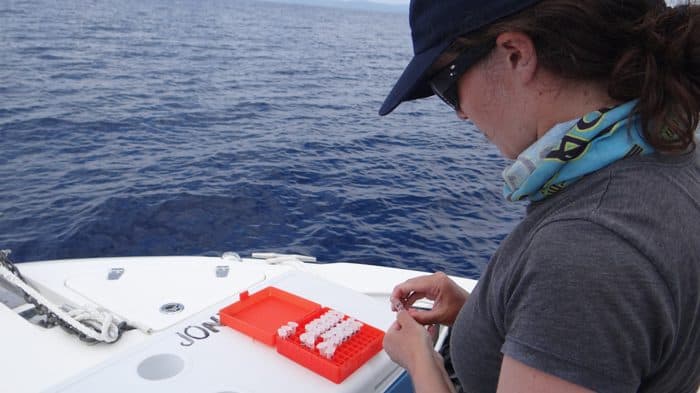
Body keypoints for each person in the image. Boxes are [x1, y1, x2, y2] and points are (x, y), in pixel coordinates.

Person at [378, 0, 700, 392]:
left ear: (516, 54)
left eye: (446, 85)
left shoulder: (584, 251)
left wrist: (420, 359)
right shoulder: (674, 154)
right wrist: (481, 314)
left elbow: (585, 290)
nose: (460, 113)